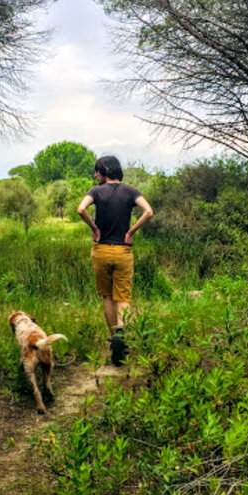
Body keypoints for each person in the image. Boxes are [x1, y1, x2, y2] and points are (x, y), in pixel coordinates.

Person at [77, 155, 153, 365]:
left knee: (107, 296)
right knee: (124, 298)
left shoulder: (95, 191)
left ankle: (113, 340)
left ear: (104, 172)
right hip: (123, 251)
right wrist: (131, 231)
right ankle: (121, 334)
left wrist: (94, 229)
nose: (95, 175)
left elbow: (81, 209)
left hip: (101, 250)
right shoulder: (131, 191)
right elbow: (148, 211)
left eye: (97, 172)